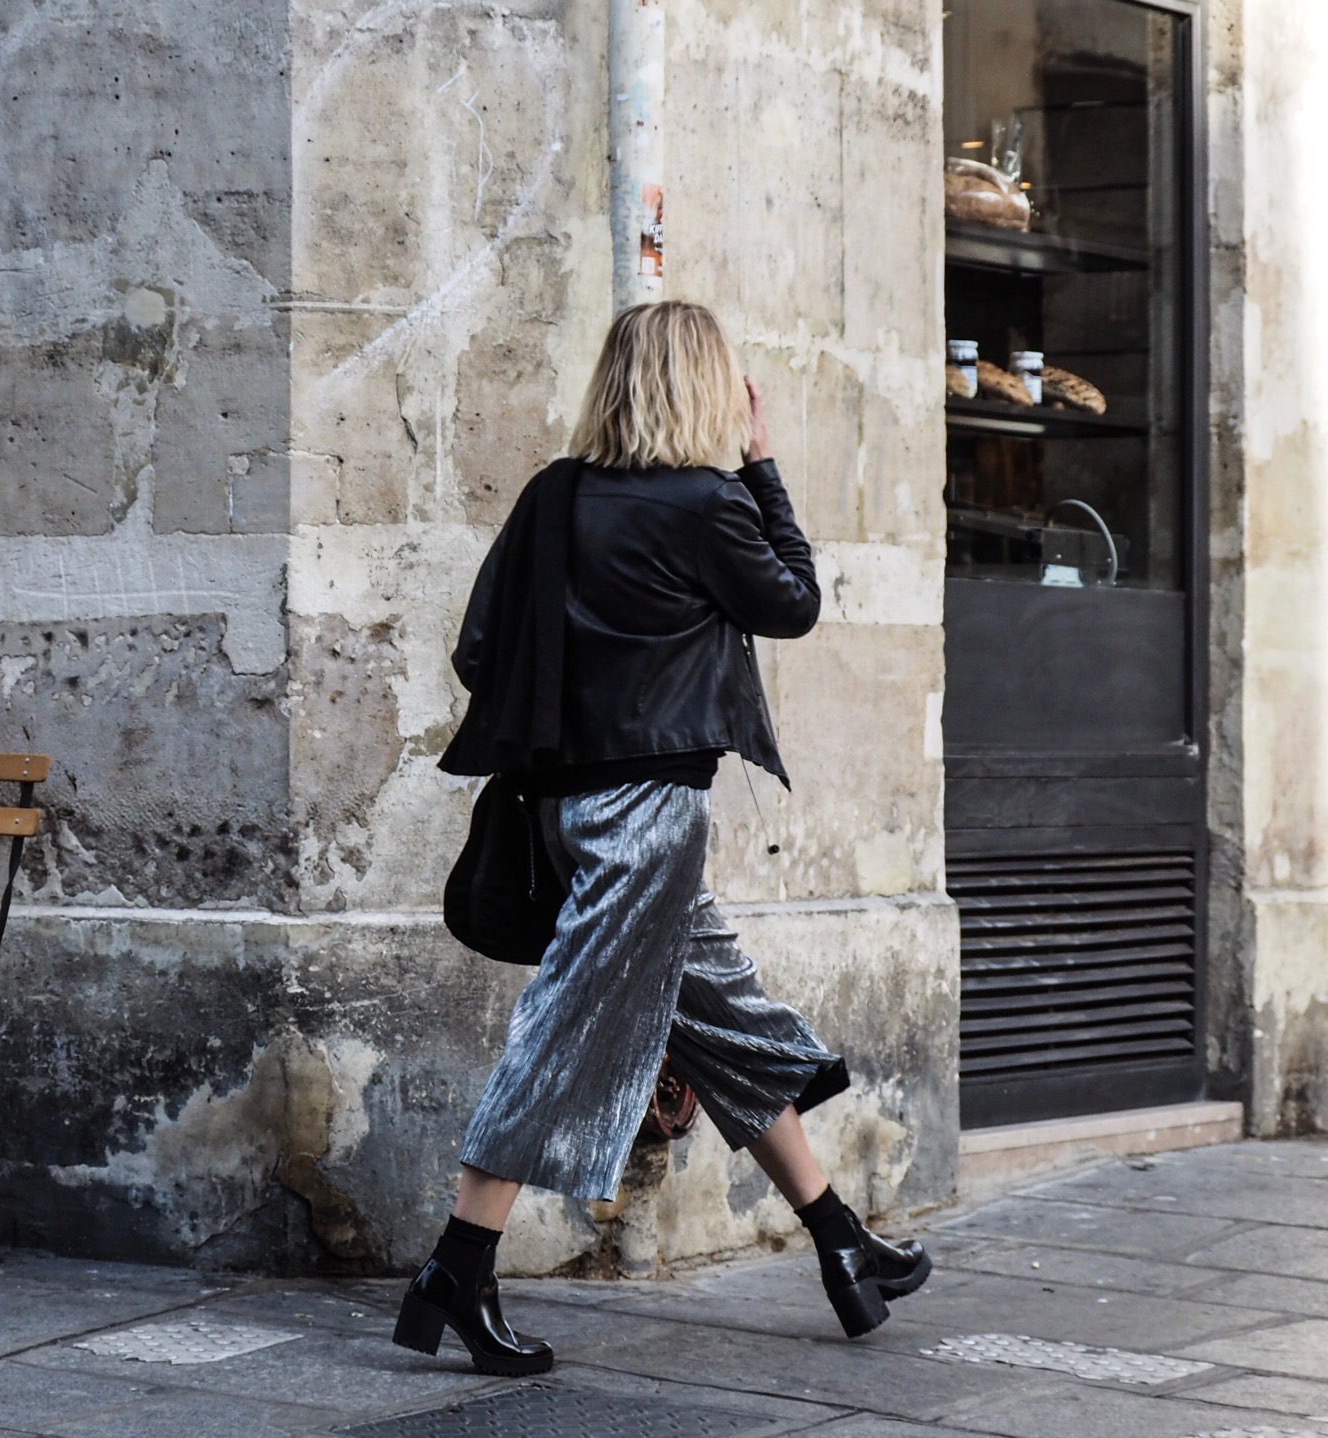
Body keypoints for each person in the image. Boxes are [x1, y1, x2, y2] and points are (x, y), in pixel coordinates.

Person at [397, 301, 930, 1377]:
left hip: (560, 809)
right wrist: (762, 465)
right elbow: (793, 603)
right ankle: (456, 1267)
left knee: (722, 1018)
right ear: (708, 388)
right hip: (647, 815)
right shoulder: (708, 503)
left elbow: (477, 650)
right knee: (561, 1034)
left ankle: (840, 1241)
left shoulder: (553, 495)